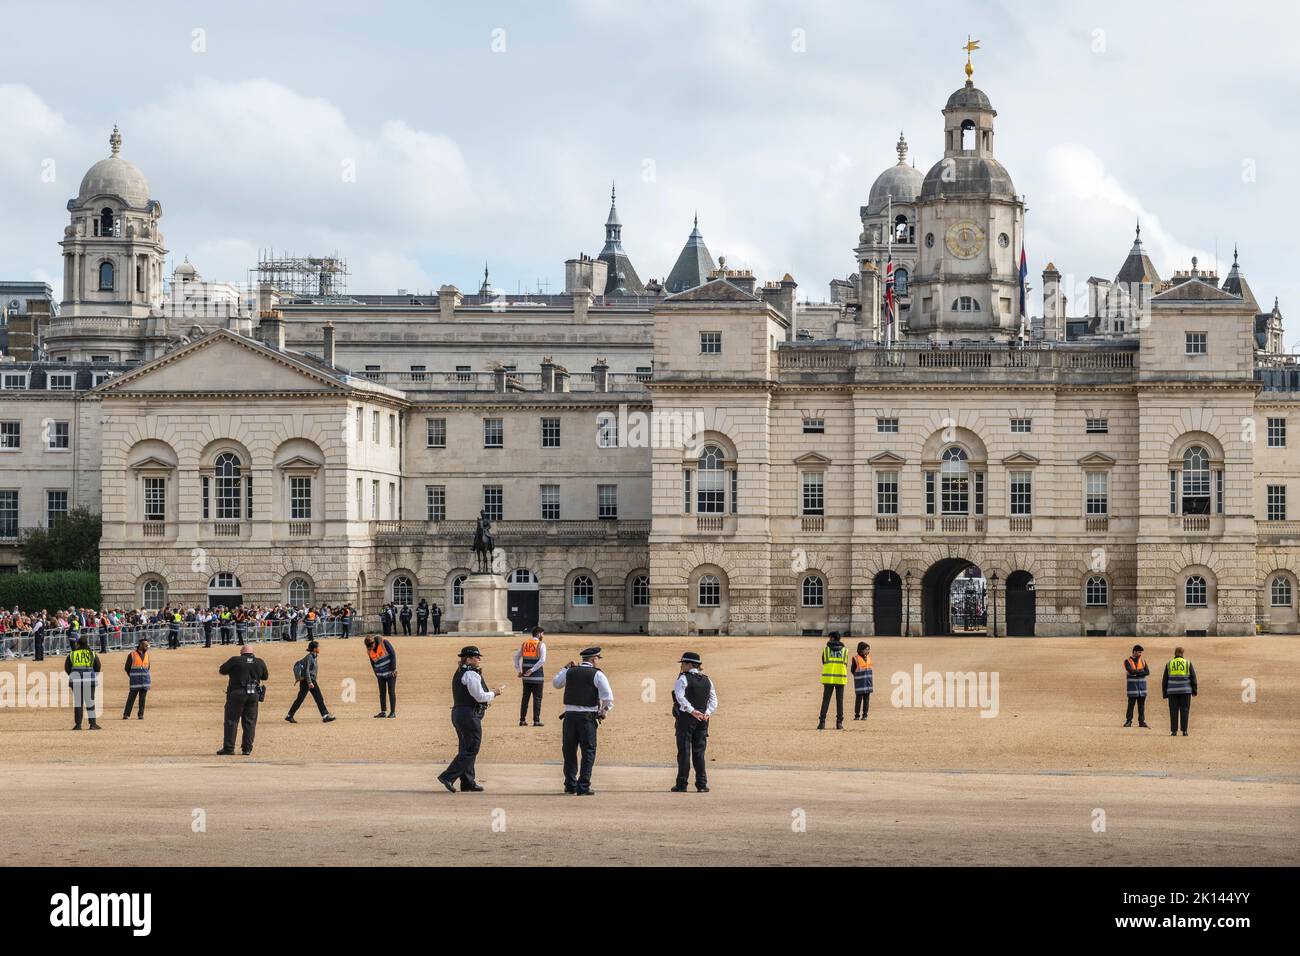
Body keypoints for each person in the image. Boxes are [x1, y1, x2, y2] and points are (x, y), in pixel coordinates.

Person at [437, 646, 504, 793]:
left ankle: (468, 781)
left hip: (459, 712)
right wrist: (494, 693)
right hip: (469, 714)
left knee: (466, 747)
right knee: (472, 747)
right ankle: (448, 776)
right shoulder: (471, 674)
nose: (479, 659)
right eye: (476, 657)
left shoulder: (460, 672)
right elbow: (479, 696)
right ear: (468, 658)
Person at [553, 646, 613, 795]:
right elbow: (608, 698)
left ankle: (570, 784)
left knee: (569, 751)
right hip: (587, 718)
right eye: (597, 659)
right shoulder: (597, 674)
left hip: (570, 717)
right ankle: (583, 785)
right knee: (588, 752)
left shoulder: (570, 671)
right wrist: (603, 712)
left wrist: (565, 667)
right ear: (593, 660)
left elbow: (556, 683)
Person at [670, 651, 716, 793]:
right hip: (703, 719)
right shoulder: (708, 680)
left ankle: (682, 784)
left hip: (687, 719)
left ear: (689, 664)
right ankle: (702, 784)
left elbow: (679, 697)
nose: (682, 666)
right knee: (699, 752)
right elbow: (713, 699)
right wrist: (707, 713)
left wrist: (691, 710)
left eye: (683, 663)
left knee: (684, 752)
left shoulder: (683, 678)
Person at [217, 643, 269, 755]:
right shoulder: (259, 661)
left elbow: (222, 670)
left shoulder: (235, 660)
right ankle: (247, 749)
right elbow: (265, 677)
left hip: (237, 693)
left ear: (241, 652)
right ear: (252, 653)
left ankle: (229, 748)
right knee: (250, 722)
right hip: (253, 694)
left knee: (231, 721)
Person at [286, 641, 336, 723]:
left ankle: (289, 715)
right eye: (318, 647)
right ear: (314, 649)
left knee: (302, 699)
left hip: (309, 680)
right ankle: (325, 716)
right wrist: (310, 682)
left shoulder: (314, 656)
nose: (319, 649)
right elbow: (306, 671)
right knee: (318, 698)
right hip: (308, 681)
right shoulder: (309, 657)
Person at [64, 636, 102, 730]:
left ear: (79, 644)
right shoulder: (91, 654)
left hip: (76, 681)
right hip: (89, 681)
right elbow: (98, 666)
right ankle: (92, 724)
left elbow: (67, 667)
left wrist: (72, 674)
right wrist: (93, 675)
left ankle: (78, 725)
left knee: (78, 703)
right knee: (90, 702)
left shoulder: (72, 654)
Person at [513, 626, 547, 727]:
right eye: (542, 634)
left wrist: (519, 670)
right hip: (537, 677)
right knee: (537, 699)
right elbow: (542, 660)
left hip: (526, 677)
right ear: (539, 634)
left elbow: (516, 657)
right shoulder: (541, 644)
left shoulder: (525, 644)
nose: (543, 636)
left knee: (525, 698)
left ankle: (522, 720)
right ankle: (536, 720)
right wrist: (532, 670)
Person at [1161, 646, 1198, 737]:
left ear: (1175, 653)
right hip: (1185, 691)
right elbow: (1193, 678)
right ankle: (1184, 731)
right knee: (1185, 710)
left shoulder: (1169, 663)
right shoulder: (1187, 663)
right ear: (1183, 653)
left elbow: (1164, 680)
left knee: (1173, 711)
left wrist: (1165, 693)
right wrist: (1194, 690)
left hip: (1172, 691)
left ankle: (1174, 731)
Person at [818, 631, 849, 730]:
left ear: (831, 638)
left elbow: (824, 662)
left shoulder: (826, 650)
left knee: (825, 700)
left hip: (828, 678)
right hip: (840, 678)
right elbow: (845, 663)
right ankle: (839, 723)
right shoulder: (845, 650)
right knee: (840, 701)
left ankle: (822, 722)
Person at [364, 634, 398, 718]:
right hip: (380, 674)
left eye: (371, 646)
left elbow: (393, 655)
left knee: (391, 692)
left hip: (390, 673)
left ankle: (393, 712)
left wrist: (393, 669)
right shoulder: (369, 649)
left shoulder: (384, 642)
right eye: (368, 647)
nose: (370, 648)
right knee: (382, 693)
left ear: (374, 642)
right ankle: (383, 712)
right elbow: (372, 662)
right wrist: (375, 672)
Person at [122, 636, 151, 720]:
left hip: (145, 681)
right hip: (135, 681)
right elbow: (127, 668)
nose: (147, 648)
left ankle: (140, 715)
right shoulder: (132, 655)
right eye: (146, 646)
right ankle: (126, 714)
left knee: (142, 700)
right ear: (140, 645)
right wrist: (131, 676)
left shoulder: (147, 655)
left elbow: (148, 667)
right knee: (131, 698)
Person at [1123, 644, 1151, 728]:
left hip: (1142, 688)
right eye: (1139, 652)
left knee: (1141, 706)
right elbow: (1131, 671)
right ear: (1134, 651)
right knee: (1131, 705)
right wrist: (1141, 672)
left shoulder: (1142, 660)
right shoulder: (1127, 661)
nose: (1140, 654)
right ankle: (1128, 721)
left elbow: (1147, 672)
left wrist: (1136, 673)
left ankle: (1141, 722)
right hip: (1132, 688)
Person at [851, 641, 873, 721]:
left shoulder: (869, 658)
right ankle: (857, 715)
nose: (868, 651)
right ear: (861, 650)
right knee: (858, 700)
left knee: (866, 700)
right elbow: (852, 670)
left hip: (868, 683)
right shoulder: (855, 658)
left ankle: (865, 715)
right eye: (866, 649)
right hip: (860, 683)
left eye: (868, 649)